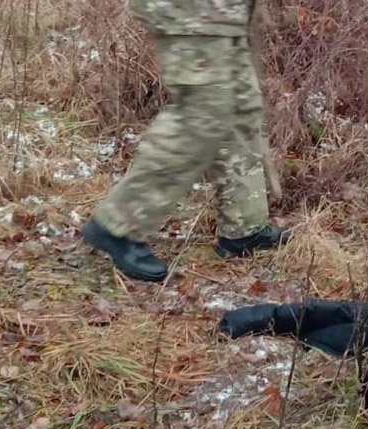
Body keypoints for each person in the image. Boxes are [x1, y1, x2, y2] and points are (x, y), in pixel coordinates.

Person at [82, 0, 290, 282]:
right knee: (202, 115)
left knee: (239, 106)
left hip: (223, 12)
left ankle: (244, 229)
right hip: (195, 11)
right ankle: (118, 223)